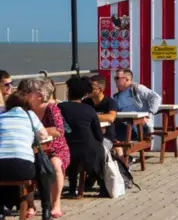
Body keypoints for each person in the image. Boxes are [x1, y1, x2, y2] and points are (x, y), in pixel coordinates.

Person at [19, 78, 70, 218]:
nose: (24, 94)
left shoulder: (51, 108)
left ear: (40, 95)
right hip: (33, 148)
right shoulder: (25, 109)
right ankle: (30, 205)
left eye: (28, 92)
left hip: (55, 148)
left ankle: (56, 204)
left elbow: (59, 131)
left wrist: (38, 130)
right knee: (25, 165)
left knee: (55, 165)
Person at [0, 91, 52, 220]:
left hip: (1, 165)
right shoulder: (30, 115)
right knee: (42, 170)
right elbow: (44, 135)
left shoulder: (1, 117)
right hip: (23, 167)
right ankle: (46, 209)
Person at [58, 77, 107, 197]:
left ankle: (72, 188)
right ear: (85, 94)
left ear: (69, 92)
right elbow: (98, 136)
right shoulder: (89, 110)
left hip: (69, 148)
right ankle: (103, 186)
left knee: (74, 156)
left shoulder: (60, 108)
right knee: (98, 149)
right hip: (89, 150)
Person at [112, 69, 161, 142]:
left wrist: (149, 114)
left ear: (127, 79)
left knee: (110, 134)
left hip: (138, 126)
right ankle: (117, 151)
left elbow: (156, 97)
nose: (115, 80)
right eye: (115, 78)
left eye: (117, 78)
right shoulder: (117, 95)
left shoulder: (137, 88)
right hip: (123, 124)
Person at [83, 75, 119, 155]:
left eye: (91, 87)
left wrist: (91, 117)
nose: (88, 90)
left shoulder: (110, 102)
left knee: (95, 150)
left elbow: (111, 118)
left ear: (100, 89)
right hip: (89, 137)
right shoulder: (86, 102)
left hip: (106, 137)